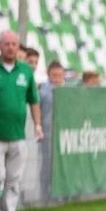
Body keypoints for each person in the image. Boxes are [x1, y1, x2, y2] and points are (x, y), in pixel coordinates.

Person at [0, 30, 43, 211]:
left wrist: (37, 124)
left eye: (14, 44)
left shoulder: (26, 72)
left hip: (18, 135)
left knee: (14, 180)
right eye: (7, 44)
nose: (11, 47)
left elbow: (34, 101)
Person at [38, 60, 65, 197]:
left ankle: (61, 193)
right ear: (49, 75)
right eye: (54, 75)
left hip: (64, 134)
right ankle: (44, 194)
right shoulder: (43, 91)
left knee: (63, 164)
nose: (57, 78)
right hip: (48, 133)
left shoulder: (67, 91)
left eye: (60, 75)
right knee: (48, 165)